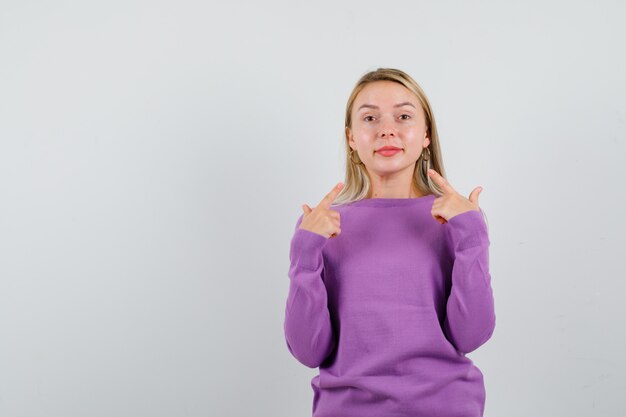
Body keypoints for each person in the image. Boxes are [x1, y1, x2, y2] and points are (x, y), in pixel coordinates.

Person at [283, 67, 496, 417]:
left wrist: (472, 234)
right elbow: (308, 351)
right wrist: (305, 252)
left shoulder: (454, 220)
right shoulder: (323, 226)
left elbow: (471, 335)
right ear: (351, 137)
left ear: (426, 133)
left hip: (445, 407)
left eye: (403, 116)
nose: (386, 129)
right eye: (370, 117)